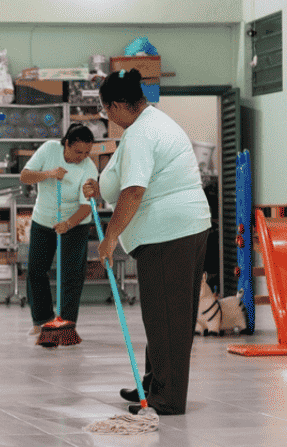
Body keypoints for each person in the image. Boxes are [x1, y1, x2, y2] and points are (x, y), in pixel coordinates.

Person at [83, 69, 211, 415]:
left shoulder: (142, 132)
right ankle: (155, 383)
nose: (107, 115)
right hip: (184, 227)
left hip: (169, 233)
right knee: (166, 315)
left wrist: (109, 239)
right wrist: (100, 186)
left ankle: (166, 397)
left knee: (167, 317)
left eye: (108, 108)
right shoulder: (152, 123)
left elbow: (135, 190)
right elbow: (125, 178)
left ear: (122, 104)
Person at [20, 124, 99, 336]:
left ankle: (67, 323)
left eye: (87, 153)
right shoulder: (49, 150)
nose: (82, 157)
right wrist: (48, 174)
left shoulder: (89, 168)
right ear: (66, 144)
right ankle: (42, 320)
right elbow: (25, 176)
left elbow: (85, 206)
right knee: (36, 270)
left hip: (75, 224)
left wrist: (68, 224)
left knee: (72, 274)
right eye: (77, 151)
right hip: (43, 220)